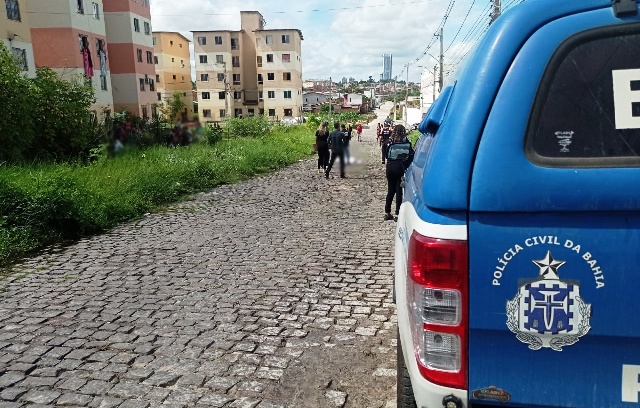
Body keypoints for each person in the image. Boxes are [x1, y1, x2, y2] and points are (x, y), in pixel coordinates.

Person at [384, 124, 414, 221]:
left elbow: (385, 153)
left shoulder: (389, 141)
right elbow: (411, 155)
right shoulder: (405, 142)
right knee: (399, 191)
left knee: (390, 191)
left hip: (390, 168)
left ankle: (387, 212)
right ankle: (397, 214)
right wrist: (406, 165)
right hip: (400, 168)